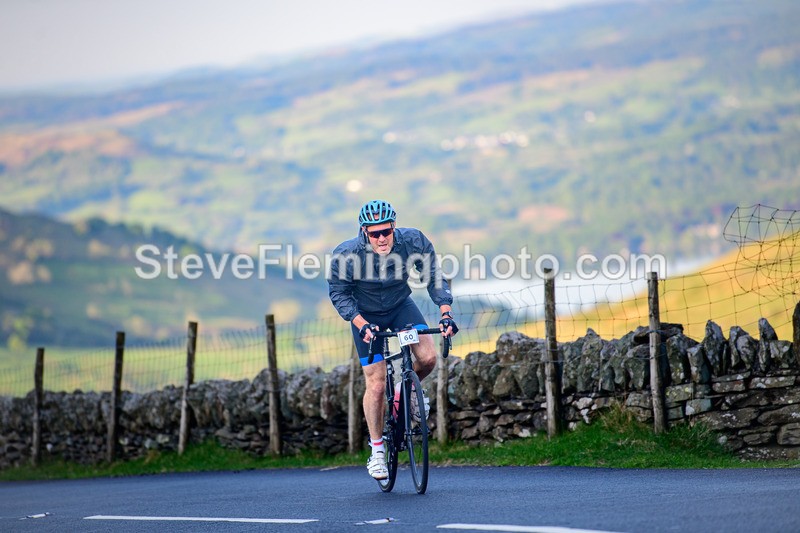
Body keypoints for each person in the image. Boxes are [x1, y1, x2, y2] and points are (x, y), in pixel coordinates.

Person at [327, 200, 458, 480]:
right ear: (364, 231)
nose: (382, 238)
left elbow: (433, 275)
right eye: (375, 234)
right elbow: (339, 293)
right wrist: (360, 323)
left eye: (386, 231)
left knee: (428, 357)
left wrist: (445, 313)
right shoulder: (347, 254)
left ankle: (405, 390)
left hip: (400, 306)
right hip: (366, 317)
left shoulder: (412, 241)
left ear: (394, 227)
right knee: (374, 383)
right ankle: (376, 451)